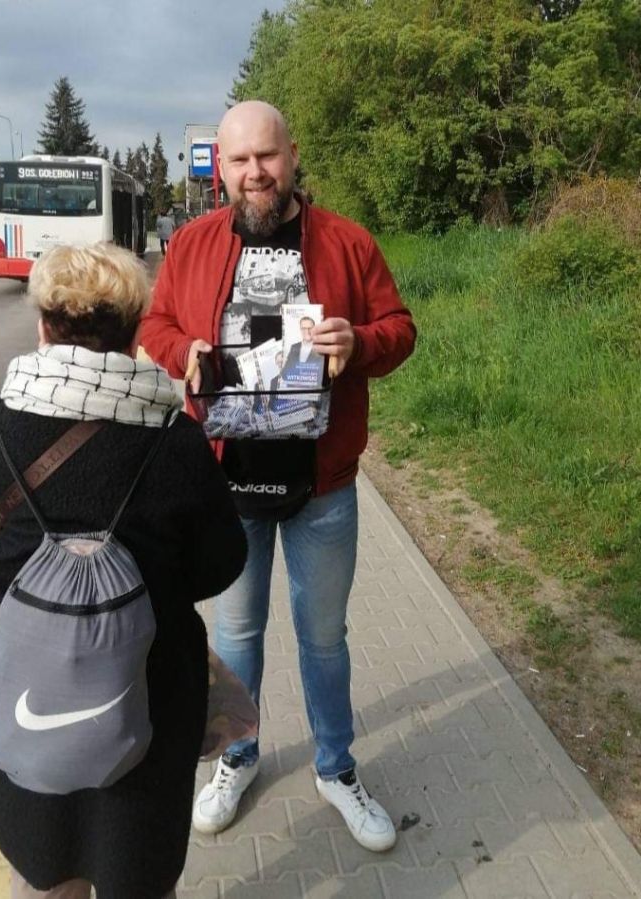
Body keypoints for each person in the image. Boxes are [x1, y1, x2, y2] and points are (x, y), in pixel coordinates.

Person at [140, 101, 417, 852]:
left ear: (292, 156)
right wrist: (183, 354)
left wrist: (359, 342)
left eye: (267, 156)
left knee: (324, 639)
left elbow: (400, 330)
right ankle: (237, 757)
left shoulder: (348, 243)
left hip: (322, 484)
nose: (255, 172)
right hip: (227, 486)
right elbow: (156, 324)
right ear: (221, 169)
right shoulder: (193, 244)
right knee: (236, 634)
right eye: (239, 160)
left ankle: (336, 768)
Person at [0, 242, 248, 899]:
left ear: (44, 325)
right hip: (148, 685)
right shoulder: (176, 442)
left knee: (40, 865)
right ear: (134, 333)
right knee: (137, 869)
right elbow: (221, 563)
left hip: (25, 674)